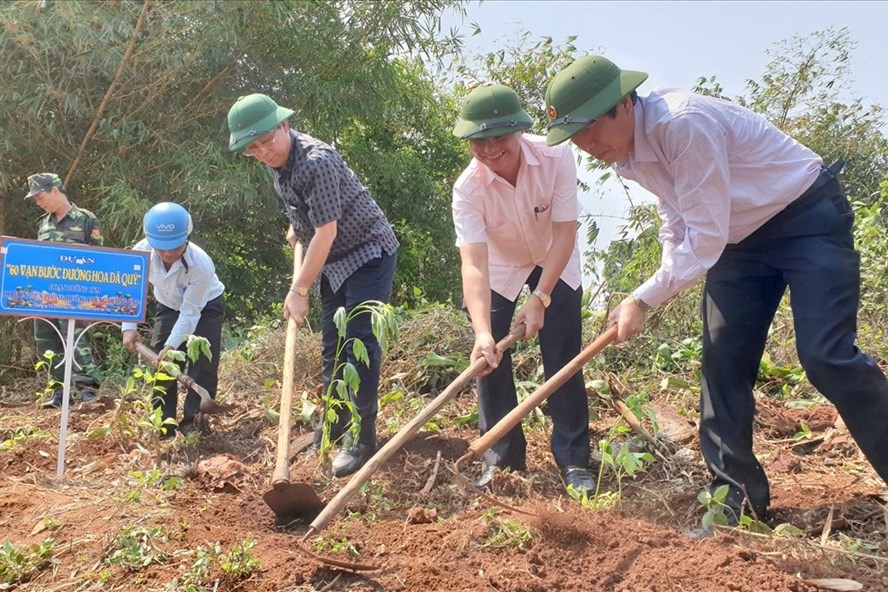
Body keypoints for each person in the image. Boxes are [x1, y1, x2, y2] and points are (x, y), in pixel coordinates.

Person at [545, 55, 888, 531]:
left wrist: (643, 299)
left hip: (805, 219)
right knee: (722, 361)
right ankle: (735, 503)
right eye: (575, 137)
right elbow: (676, 218)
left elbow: (704, 237)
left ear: (623, 105)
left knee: (826, 355)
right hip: (737, 242)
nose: (587, 145)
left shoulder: (683, 124)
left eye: (589, 129)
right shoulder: (627, 155)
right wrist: (652, 287)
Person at [226, 93, 399, 477]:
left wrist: (299, 289)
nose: (263, 152)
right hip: (332, 260)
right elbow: (308, 209)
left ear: (285, 125)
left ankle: (362, 437)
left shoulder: (316, 161)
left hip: (367, 252)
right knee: (332, 345)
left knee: (359, 344)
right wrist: (297, 224)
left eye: (266, 141)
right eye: (252, 148)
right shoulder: (276, 162)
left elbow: (326, 232)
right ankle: (334, 420)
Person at [451, 84, 594, 494]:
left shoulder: (556, 156)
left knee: (563, 355)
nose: (490, 149)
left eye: (499, 137)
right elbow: (474, 263)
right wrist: (482, 332)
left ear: (519, 130)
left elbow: (565, 232)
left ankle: (573, 458)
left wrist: (541, 297)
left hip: (554, 258)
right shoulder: (467, 189)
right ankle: (503, 460)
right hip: (500, 266)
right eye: (478, 141)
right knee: (489, 359)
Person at [121, 202, 225, 437]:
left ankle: (194, 422)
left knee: (203, 363)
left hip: (205, 307)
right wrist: (128, 328)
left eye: (175, 247)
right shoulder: (141, 253)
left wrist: (172, 346)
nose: (168, 253)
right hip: (168, 306)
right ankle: (162, 423)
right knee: (162, 364)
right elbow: (130, 290)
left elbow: (190, 312)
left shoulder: (201, 264)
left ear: (187, 237)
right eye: (161, 248)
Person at [24, 173, 103, 408]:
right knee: (47, 340)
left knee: (77, 341)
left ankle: (88, 391)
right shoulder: (43, 223)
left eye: (40, 197)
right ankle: (59, 392)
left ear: (55, 190)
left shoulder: (86, 219)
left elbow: (101, 260)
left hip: (76, 295)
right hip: (45, 296)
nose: (38, 202)